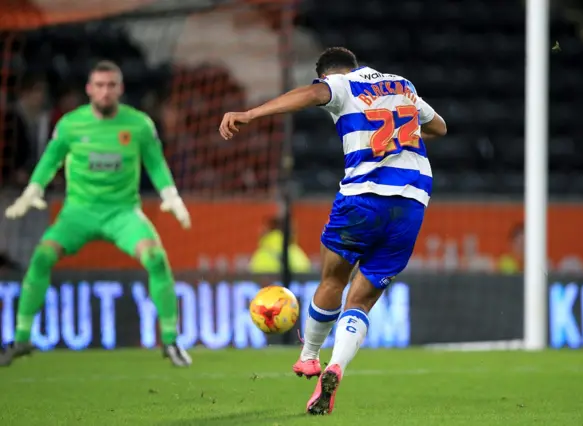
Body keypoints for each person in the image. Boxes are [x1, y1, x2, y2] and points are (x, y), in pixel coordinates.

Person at [220, 47, 447, 415]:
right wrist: (400, 139)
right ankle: (337, 366)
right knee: (361, 302)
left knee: (332, 280)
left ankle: (310, 357)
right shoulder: (403, 86)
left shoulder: (341, 83)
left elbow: (311, 95)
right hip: (411, 203)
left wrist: (251, 114)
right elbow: (440, 127)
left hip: (363, 199)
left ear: (327, 73)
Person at [1, 61, 193, 367]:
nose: (105, 91)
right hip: (78, 212)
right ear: (90, 90)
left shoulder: (139, 124)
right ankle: (22, 337)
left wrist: (171, 195)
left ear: (120, 89)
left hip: (123, 213)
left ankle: (170, 341)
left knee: (156, 259)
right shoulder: (70, 124)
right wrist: (32, 191)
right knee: (41, 257)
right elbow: (50, 159)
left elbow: (155, 162)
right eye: (100, 85)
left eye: (111, 85)